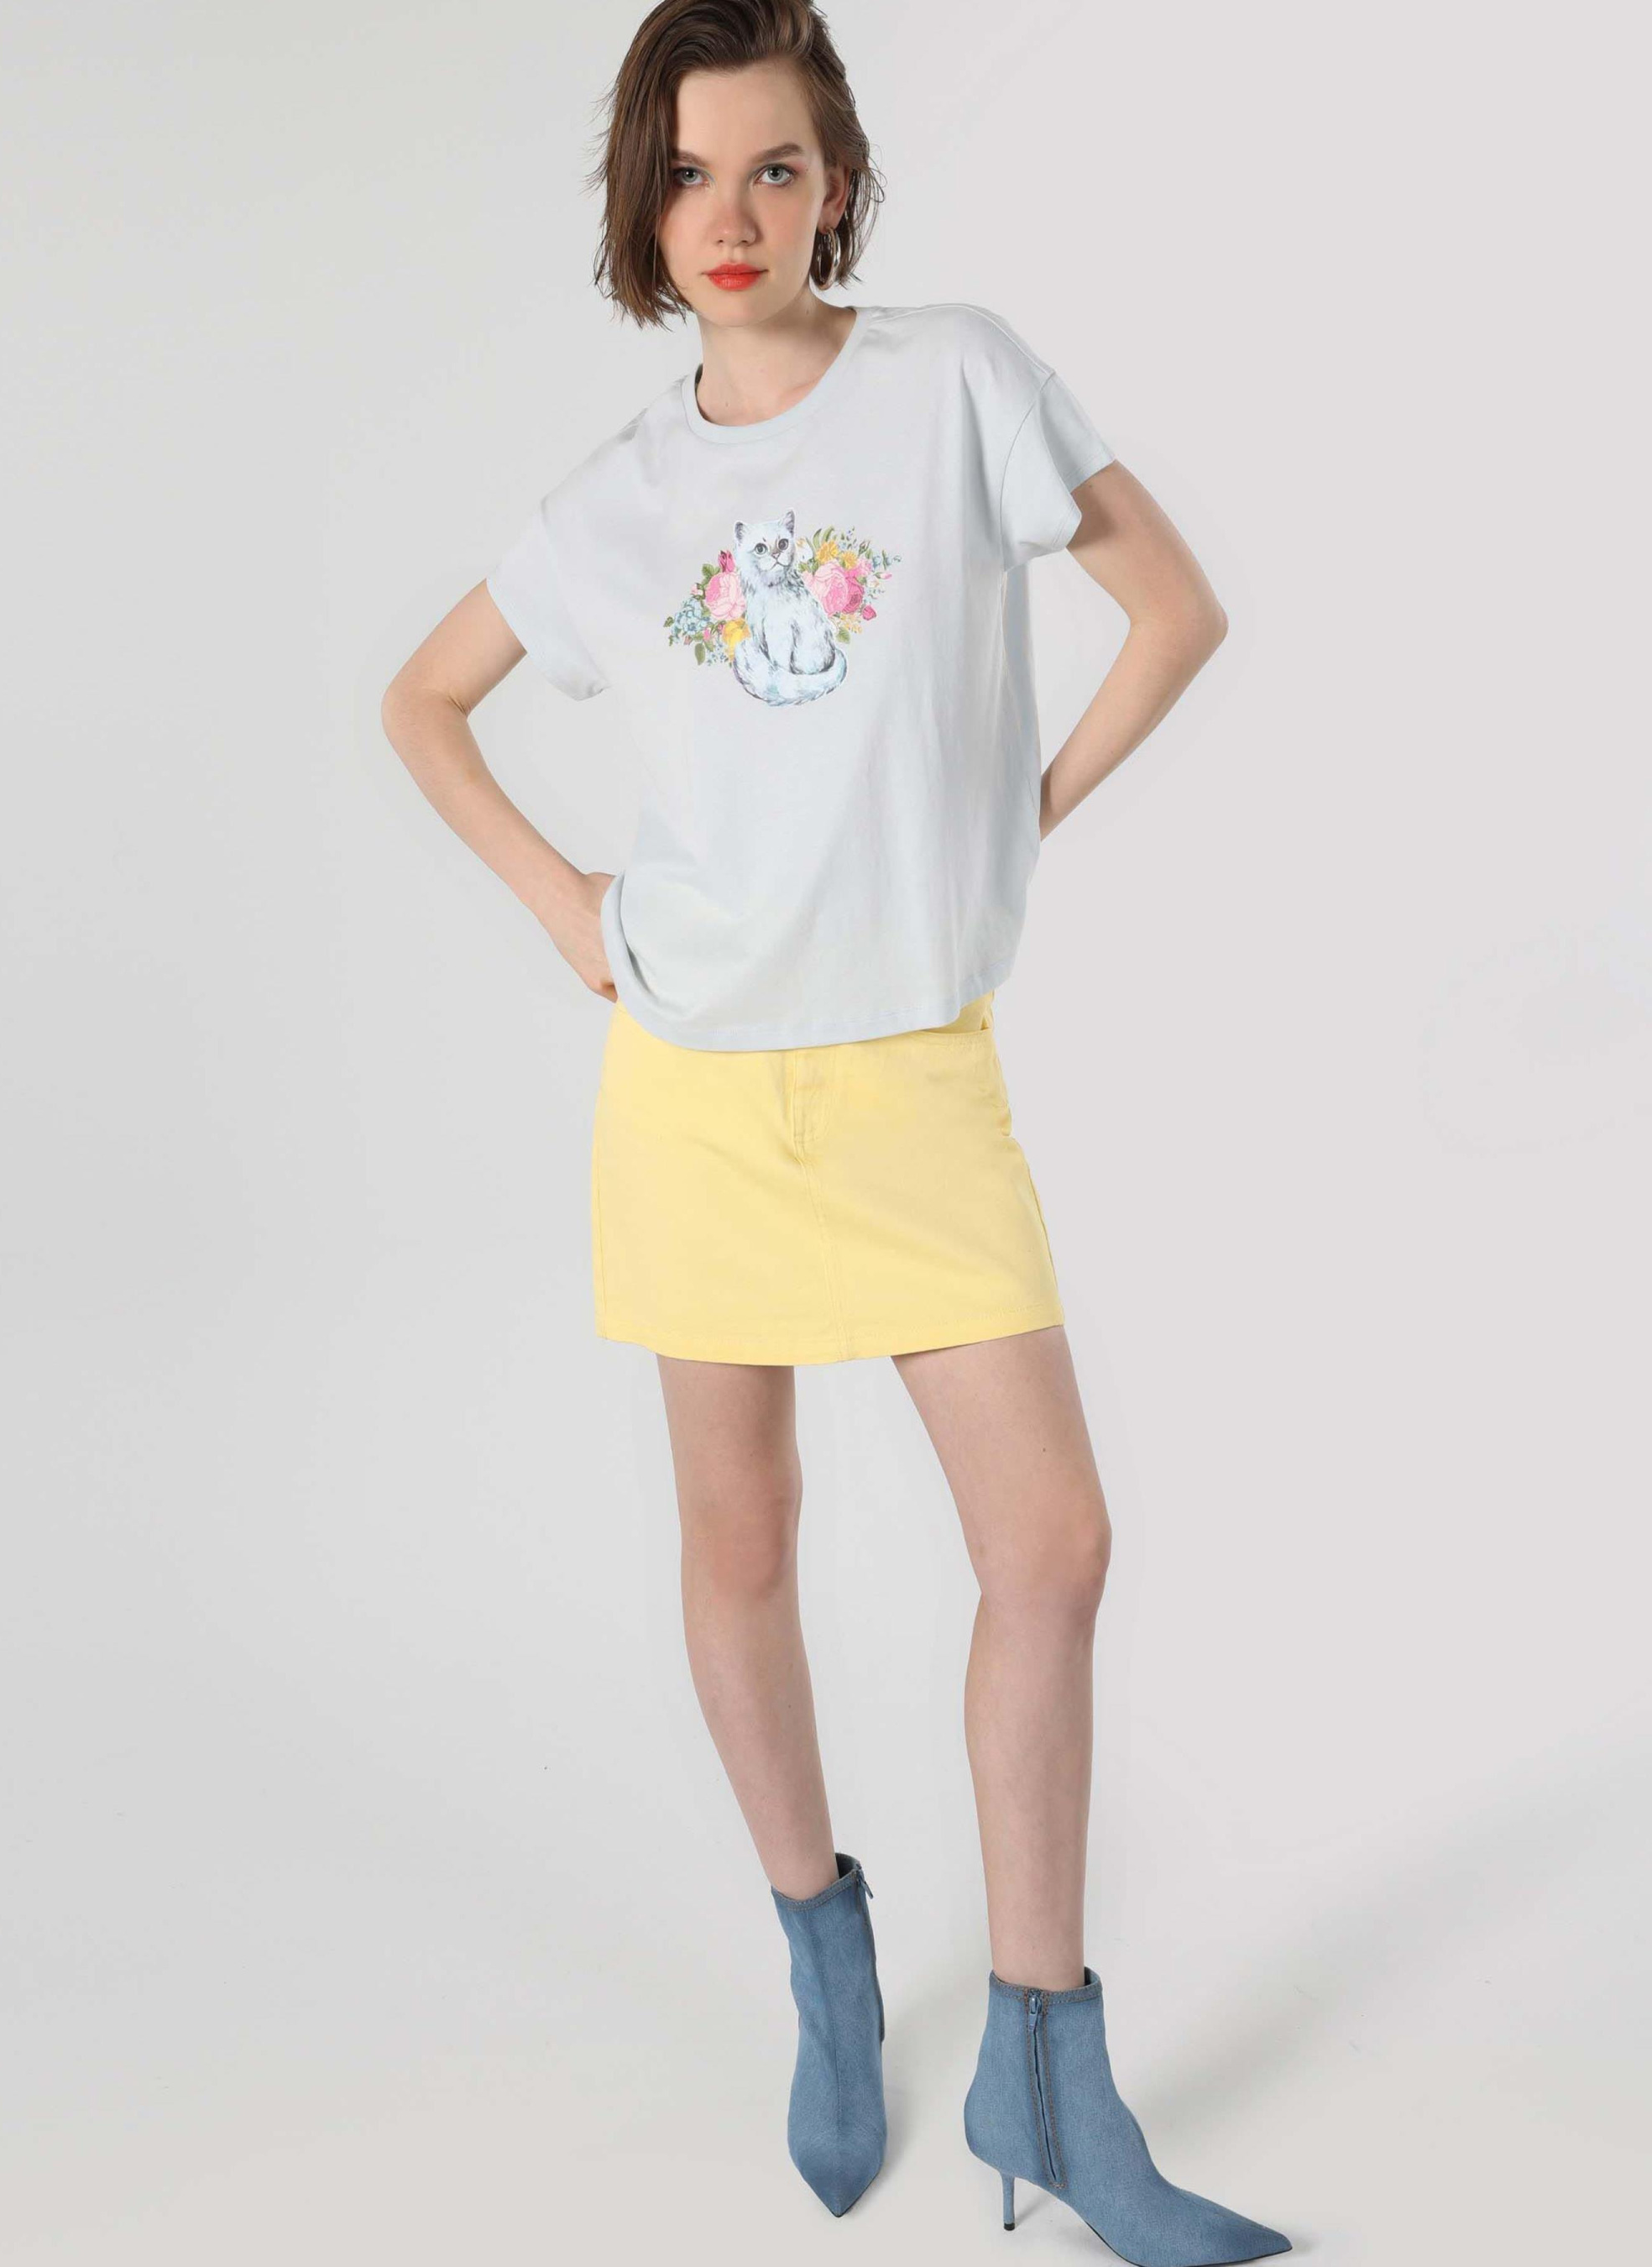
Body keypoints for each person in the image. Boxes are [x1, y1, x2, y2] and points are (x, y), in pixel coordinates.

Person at [380, 4, 1291, 2259]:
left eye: (774, 169)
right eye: (690, 175)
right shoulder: (615, 500)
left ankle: (1044, 2068)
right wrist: (569, 908)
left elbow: (1172, 609)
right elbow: (422, 699)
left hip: (910, 1074)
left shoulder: (956, 383)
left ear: (838, 187)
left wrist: (1011, 823)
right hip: (695, 1088)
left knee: (1049, 1546)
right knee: (745, 1544)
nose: (732, 216)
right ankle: (822, 1952)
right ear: (642, 205)